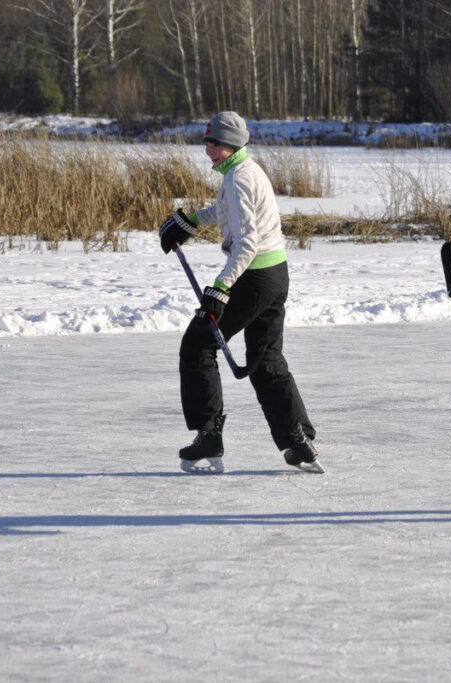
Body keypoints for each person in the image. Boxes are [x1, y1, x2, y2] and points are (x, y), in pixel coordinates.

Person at [158, 111, 321, 475]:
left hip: (254, 276)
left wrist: (221, 287)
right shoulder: (243, 170)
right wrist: (194, 220)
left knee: (198, 343)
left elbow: (247, 241)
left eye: (214, 144)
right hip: (275, 274)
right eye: (207, 143)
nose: (208, 151)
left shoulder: (239, 178)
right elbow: (231, 213)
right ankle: (297, 440)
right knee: (267, 361)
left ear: (231, 143)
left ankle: (208, 435)